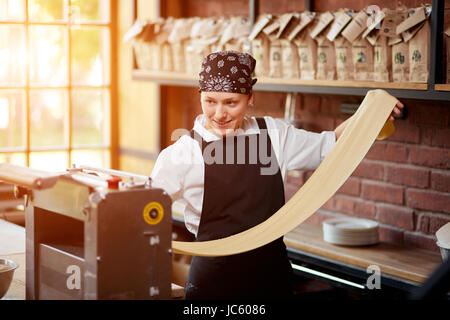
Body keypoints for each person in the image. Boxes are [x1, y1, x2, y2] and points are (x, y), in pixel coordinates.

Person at [150, 50, 404, 300]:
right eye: (210, 101)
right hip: (215, 281)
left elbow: (332, 144)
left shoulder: (273, 134)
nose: (219, 114)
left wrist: (372, 111)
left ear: (250, 98)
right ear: (201, 96)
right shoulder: (182, 153)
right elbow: (146, 213)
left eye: (231, 102)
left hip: (271, 276)